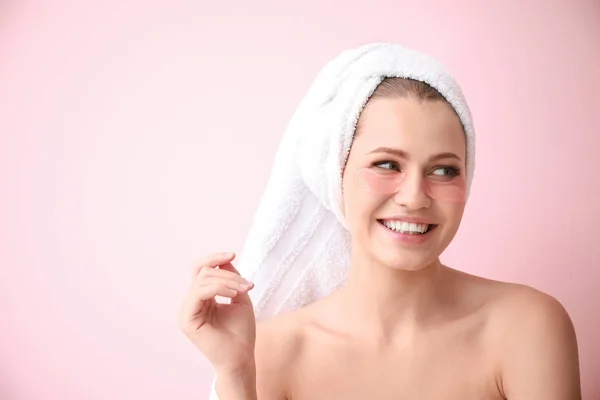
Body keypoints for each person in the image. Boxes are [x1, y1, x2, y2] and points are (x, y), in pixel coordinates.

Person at [178, 44, 581, 399]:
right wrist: (235, 376)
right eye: (387, 164)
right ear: (335, 175)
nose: (414, 197)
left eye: (443, 171)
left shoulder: (527, 329)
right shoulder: (271, 353)